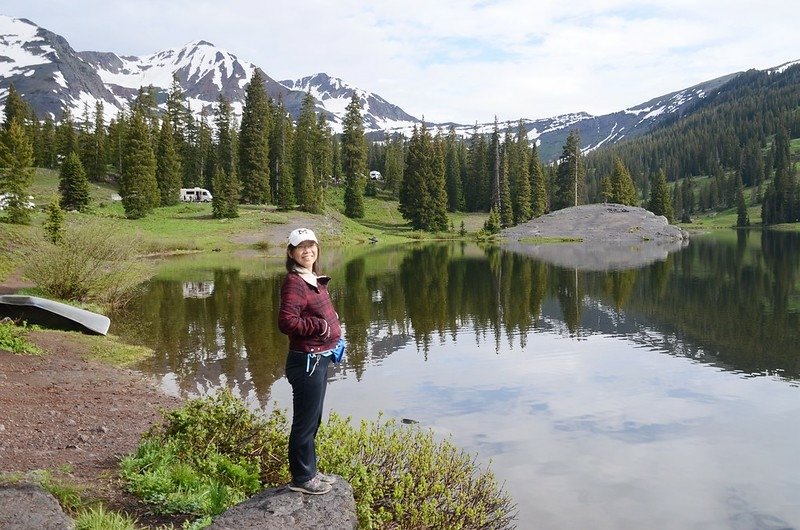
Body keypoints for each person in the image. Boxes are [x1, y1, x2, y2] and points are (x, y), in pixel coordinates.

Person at [278, 228, 342, 495]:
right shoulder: (295, 282)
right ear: (292, 253)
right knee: (304, 423)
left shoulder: (311, 278)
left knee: (313, 420)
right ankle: (302, 478)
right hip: (307, 361)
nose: (308, 251)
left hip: (319, 358)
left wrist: (332, 323)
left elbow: (316, 311)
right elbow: (287, 322)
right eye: (301, 247)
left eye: (311, 246)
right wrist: (320, 326)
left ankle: (310, 471)